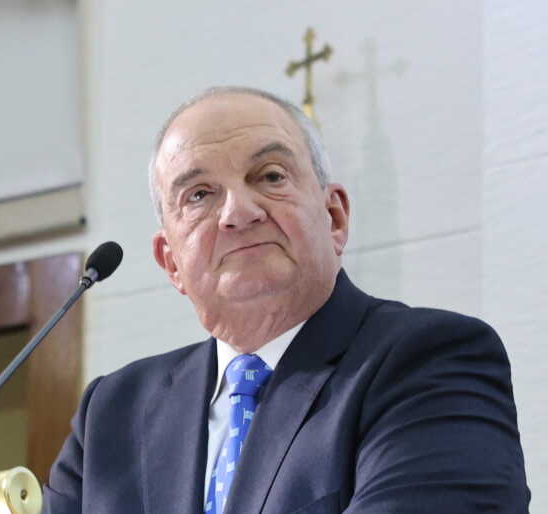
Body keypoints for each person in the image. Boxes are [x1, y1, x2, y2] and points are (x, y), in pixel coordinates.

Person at [42, 87, 530, 513]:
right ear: (171, 263)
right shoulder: (112, 414)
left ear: (334, 217)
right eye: (199, 195)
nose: (238, 212)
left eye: (270, 176)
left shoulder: (429, 359)